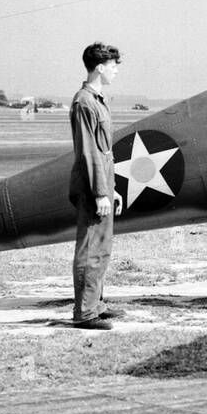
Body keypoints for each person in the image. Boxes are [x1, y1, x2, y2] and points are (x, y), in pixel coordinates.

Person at [69, 42, 123, 329]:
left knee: (101, 247)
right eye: (113, 65)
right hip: (92, 186)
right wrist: (100, 192)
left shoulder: (97, 100)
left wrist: (109, 188)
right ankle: (84, 314)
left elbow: (102, 152)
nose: (116, 70)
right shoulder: (85, 102)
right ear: (99, 67)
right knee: (90, 248)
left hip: (101, 182)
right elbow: (89, 151)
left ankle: (95, 305)